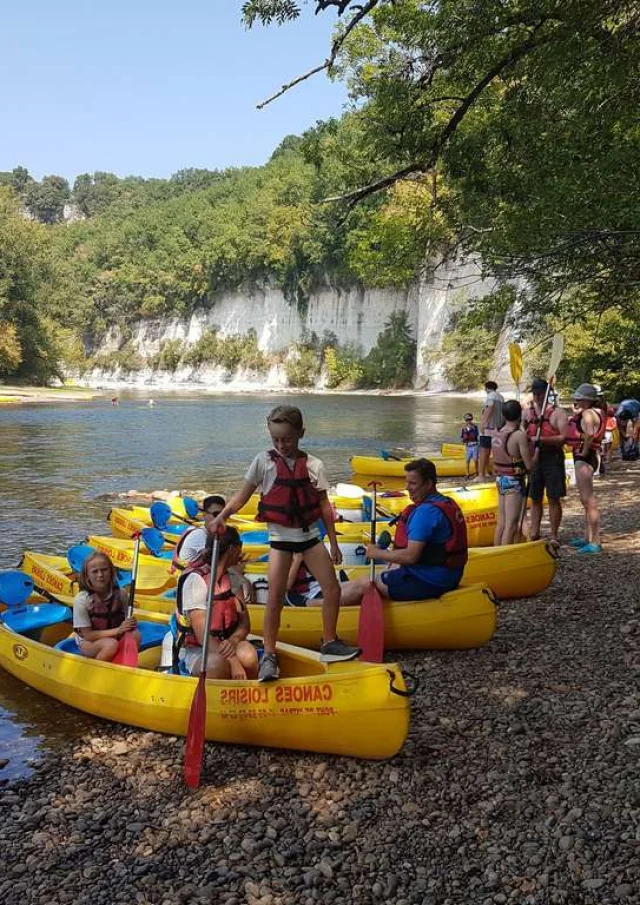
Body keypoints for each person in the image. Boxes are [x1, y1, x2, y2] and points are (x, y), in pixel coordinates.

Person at [211, 405, 359, 681]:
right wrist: (221, 517)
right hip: (281, 543)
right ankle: (269, 654)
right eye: (276, 439)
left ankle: (329, 642)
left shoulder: (314, 466)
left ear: (301, 433)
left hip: (309, 540)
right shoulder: (263, 462)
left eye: (287, 439)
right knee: (275, 601)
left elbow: (325, 507)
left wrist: (335, 543)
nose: (281, 445)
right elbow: (241, 497)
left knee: (333, 589)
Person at [339, 458, 468, 605]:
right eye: (407, 482)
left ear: (428, 484)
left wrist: (376, 553)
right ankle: (335, 591)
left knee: (365, 583)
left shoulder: (426, 512)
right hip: (449, 575)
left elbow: (410, 556)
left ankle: (313, 606)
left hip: (429, 581)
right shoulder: (446, 502)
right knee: (371, 576)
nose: (407, 487)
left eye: (413, 483)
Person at [174, 527, 258, 679]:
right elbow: (202, 637)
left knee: (248, 654)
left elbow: (244, 624)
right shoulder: (196, 581)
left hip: (228, 643)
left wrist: (234, 640)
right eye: (240, 547)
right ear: (233, 549)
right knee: (217, 663)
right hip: (199, 650)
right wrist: (232, 660)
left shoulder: (233, 577)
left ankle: (245, 696)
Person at [522, 377, 569, 543]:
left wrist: (540, 439)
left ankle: (554, 534)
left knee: (553, 497)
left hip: (552, 457)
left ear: (547, 394)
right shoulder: (527, 413)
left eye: (540, 394)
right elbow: (522, 434)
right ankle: (535, 531)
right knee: (535, 498)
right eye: (535, 394)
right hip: (535, 459)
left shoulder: (558, 413)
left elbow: (564, 437)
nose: (537, 397)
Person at [72, 552, 140, 661]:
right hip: (89, 642)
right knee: (110, 645)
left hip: (114, 633)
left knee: (135, 635)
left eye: (104, 570)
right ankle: (97, 670)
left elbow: (126, 620)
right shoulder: (82, 600)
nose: (100, 575)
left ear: (111, 572)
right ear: (87, 576)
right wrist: (118, 631)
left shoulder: (121, 594)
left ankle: (124, 663)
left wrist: (130, 623)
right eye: (95, 571)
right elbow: (88, 635)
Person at [566, 384, 607, 554]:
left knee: (588, 500)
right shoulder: (598, 411)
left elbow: (589, 434)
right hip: (590, 457)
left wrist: (582, 452)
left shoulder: (588, 413)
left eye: (579, 398)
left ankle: (595, 542)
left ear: (587, 400)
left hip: (585, 458)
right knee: (585, 500)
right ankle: (587, 537)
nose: (576, 401)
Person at [492, 400, 537, 545]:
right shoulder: (519, 435)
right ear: (519, 415)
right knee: (511, 525)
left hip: (500, 479)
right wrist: (537, 451)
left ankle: (495, 553)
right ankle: (503, 557)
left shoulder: (497, 432)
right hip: (513, 481)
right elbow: (529, 464)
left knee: (502, 523)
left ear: (504, 416)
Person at [171, 495, 226, 570]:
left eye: (224, 514)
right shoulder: (199, 535)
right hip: (186, 576)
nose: (221, 518)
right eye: (216, 514)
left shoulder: (208, 532)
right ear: (204, 515)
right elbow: (214, 560)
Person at [478, 381, 504, 480]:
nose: (484, 390)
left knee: (484, 452)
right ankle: (494, 472)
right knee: (495, 451)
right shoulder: (501, 397)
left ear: (487, 388)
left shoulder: (490, 396)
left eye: (485, 388)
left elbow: (490, 408)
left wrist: (482, 423)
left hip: (488, 429)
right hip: (498, 429)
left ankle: (481, 475)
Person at [460, 413, 479, 478]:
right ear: (465, 420)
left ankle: (477, 472)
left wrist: (470, 430)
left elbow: (475, 435)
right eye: (467, 420)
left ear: (472, 419)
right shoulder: (463, 428)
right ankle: (467, 474)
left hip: (474, 445)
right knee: (467, 460)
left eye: (470, 420)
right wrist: (463, 440)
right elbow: (462, 437)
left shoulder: (475, 427)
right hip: (468, 446)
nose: (468, 421)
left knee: (475, 460)